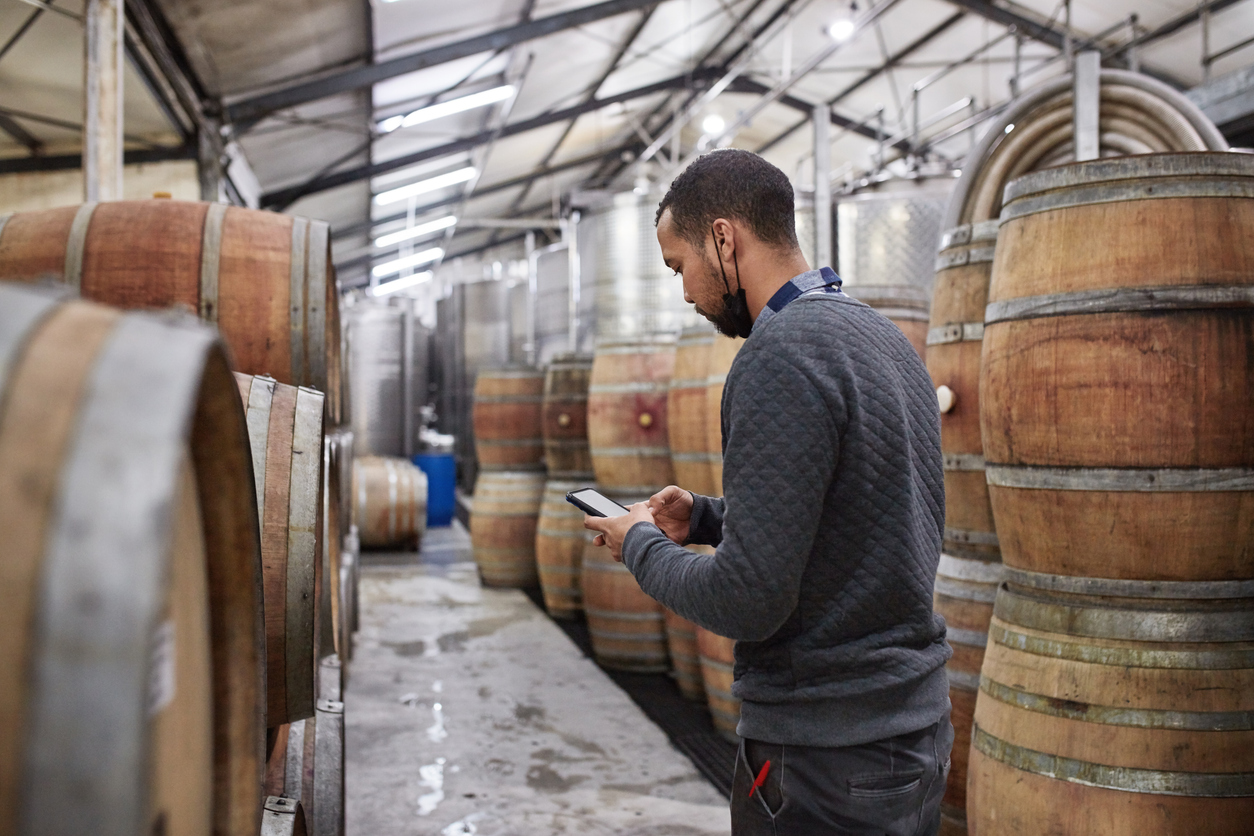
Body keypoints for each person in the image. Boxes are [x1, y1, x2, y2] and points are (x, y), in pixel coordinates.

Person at [583, 148, 953, 836]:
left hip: (824, 758)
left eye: (680, 267)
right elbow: (863, 512)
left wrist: (637, 544)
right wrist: (704, 518)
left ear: (724, 239)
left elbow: (748, 599)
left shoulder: (779, 355)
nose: (686, 293)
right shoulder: (884, 338)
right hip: (911, 736)